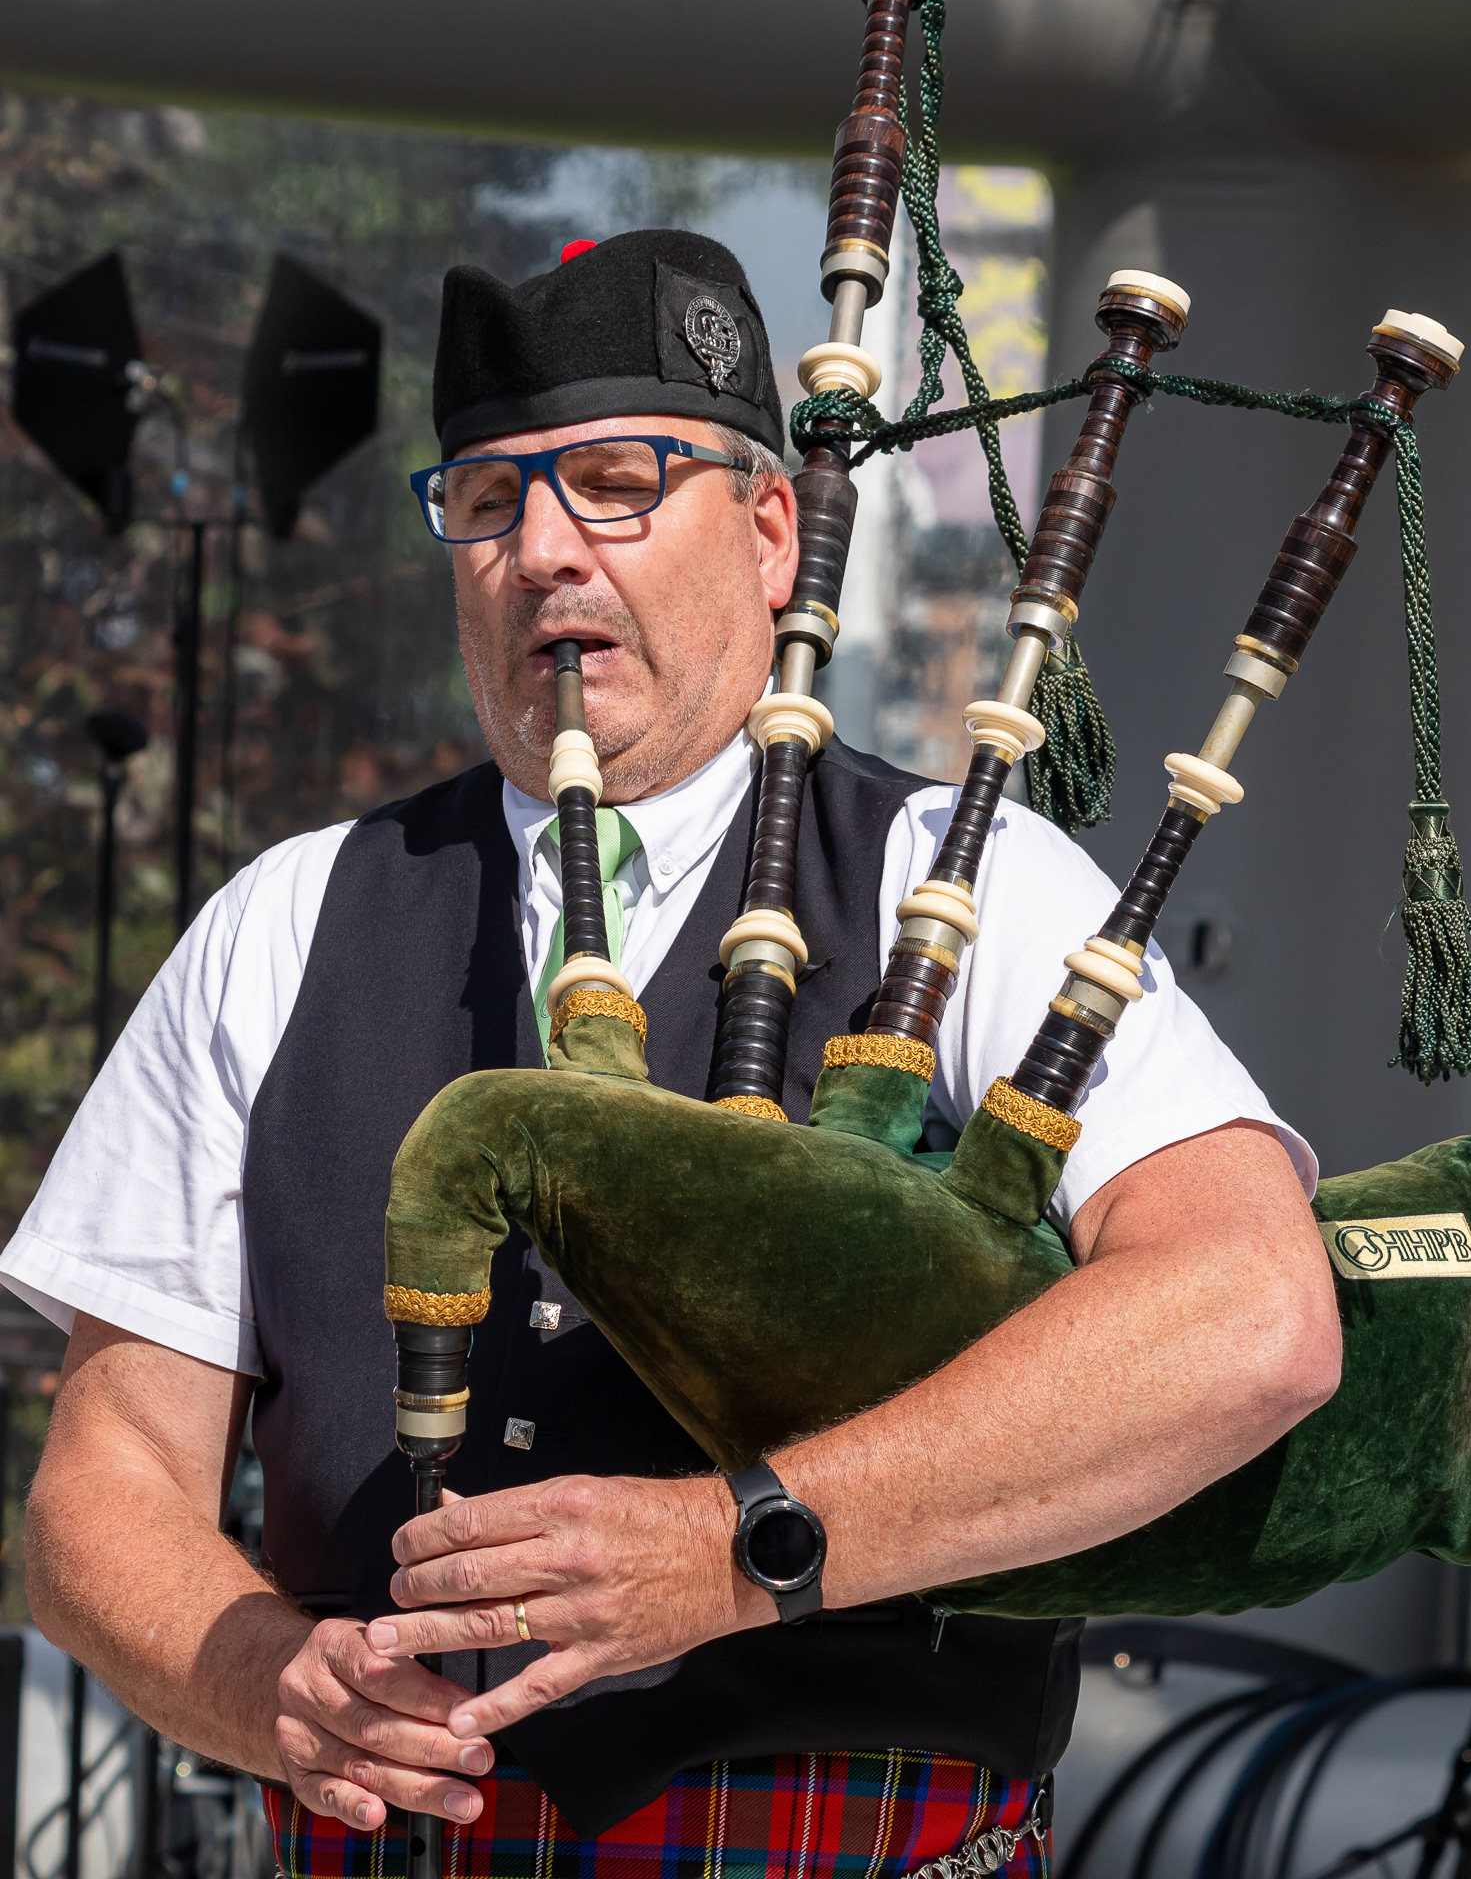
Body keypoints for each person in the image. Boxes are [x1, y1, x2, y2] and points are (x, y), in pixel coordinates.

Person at [6, 230, 1340, 1876]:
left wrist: (744, 1546)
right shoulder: (287, 924)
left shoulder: (967, 880)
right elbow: (103, 1486)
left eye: (618, 483)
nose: (545, 553)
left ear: (772, 532)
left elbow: (1250, 1317)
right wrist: (269, 1682)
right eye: (488, 502)